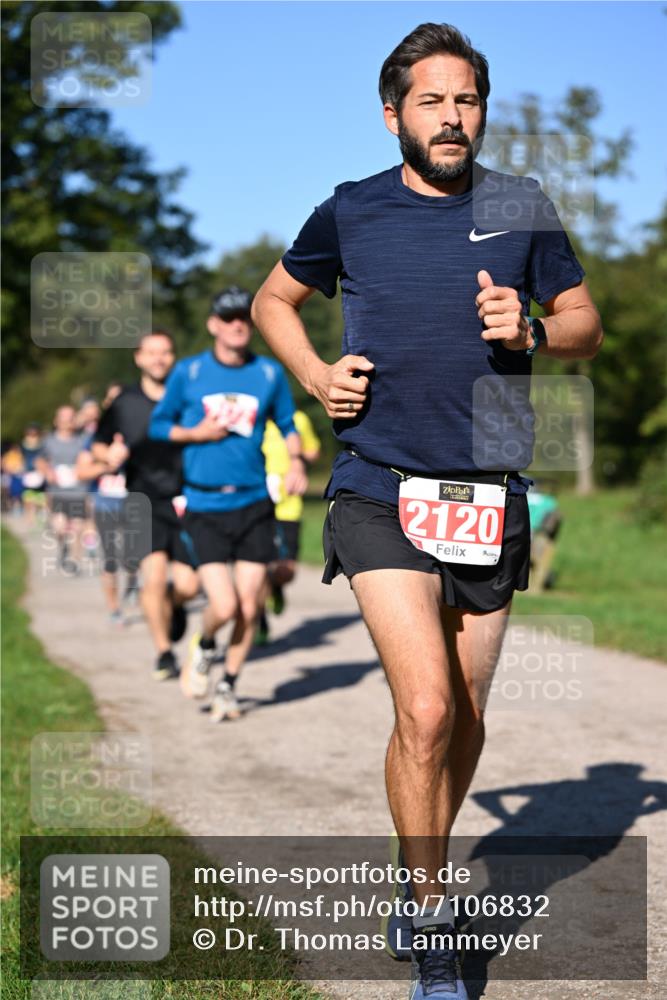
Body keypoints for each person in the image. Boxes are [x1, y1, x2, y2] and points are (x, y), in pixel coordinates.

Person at [251, 22, 603, 1000]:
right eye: (432, 101)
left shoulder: (519, 206)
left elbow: (584, 325)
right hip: (380, 483)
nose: (452, 118)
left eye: (467, 101)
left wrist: (531, 324)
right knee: (428, 705)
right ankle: (432, 915)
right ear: (393, 112)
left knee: (467, 712)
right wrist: (317, 373)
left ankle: (422, 858)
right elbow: (271, 302)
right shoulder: (350, 211)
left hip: (486, 490)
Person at [149, 286, 308, 721]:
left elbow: (287, 422)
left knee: (251, 606)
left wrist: (295, 460)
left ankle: (228, 684)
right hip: (204, 504)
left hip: (255, 503)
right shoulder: (190, 373)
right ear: (213, 325)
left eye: (245, 317)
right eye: (229, 317)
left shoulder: (269, 374)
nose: (238, 324)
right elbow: (159, 426)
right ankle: (203, 648)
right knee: (224, 606)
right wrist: (194, 434)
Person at [92, 330, 199, 679]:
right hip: (141, 498)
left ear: (173, 357)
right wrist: (109, 454)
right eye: (151, 353)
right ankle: (164, 653)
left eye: (165, 352)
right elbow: (98, 444)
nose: (158, 359)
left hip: (186, 497)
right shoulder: (124, 401)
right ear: (138, 357)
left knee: (188, 586)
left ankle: (172, 604)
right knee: (152, 578)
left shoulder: (188, 397)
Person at [256, 409, 321, 644]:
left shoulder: (298, 419)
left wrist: (299, 462)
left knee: (286, 570)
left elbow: (313, 451)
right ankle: (259, 621)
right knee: (258, 568)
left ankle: (276, 587)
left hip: (288, 504)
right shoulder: (252, 415)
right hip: (255, 503)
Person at [37, 405, 89, 573]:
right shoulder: (48, 441)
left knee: (78, 528)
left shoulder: (82, 440)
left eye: (70, 419)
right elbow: (40, 461)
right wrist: (47, 472)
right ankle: (63, 547)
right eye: (63, 419)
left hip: (79, 491)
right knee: (60, 527)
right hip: (57, 491)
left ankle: (74, 561)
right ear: (56, 421)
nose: (67, 423)